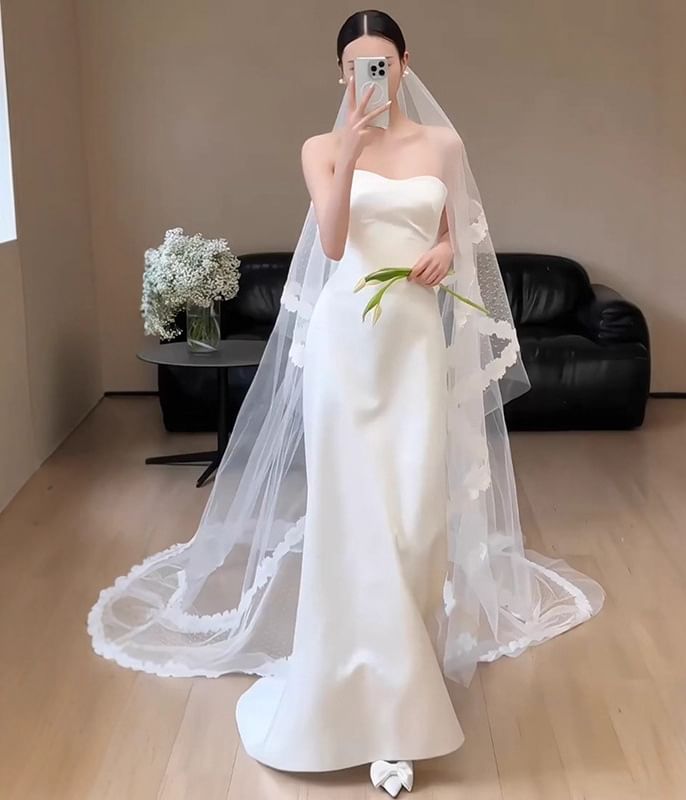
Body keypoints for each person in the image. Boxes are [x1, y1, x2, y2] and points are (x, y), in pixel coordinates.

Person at [87, 9, 605, 797]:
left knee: (415, 517)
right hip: (346, 348)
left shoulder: (444, 145)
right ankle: (383, 715)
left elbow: (459, 237)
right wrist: (355, 146)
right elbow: (332, 244)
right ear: (341, 74)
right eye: (359, 65)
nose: (373, 77)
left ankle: (402, 667)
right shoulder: (322, 149)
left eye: (384, 63)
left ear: (405, 64)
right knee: (354, 518)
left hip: (412, 344)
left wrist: (443, 250)